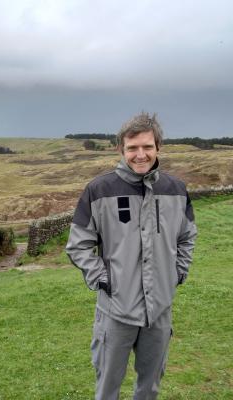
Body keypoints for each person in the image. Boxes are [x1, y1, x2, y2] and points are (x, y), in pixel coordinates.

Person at [65, 112, 197, 399]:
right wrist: (104, 279)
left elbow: (187, 236)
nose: (140, 154)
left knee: (149, 388)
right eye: (132, 148)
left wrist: (177, 273)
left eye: (147, 147)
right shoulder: (99, 190)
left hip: (160, 312)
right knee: (107, 388)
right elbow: (77, 245)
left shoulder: (176, 190)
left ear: (158, 147)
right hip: (115, 312)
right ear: (121, 149)